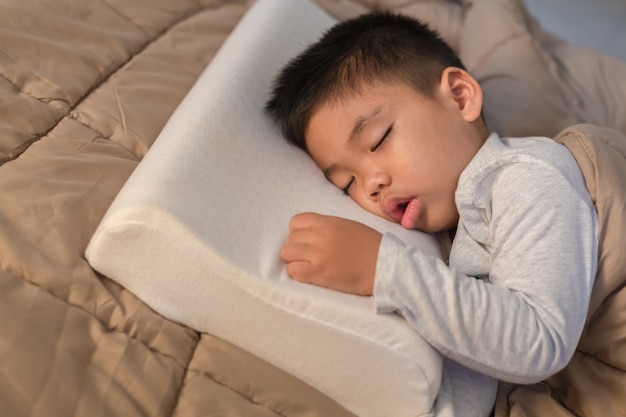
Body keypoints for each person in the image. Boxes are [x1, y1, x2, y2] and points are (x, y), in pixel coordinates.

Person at [265, 11, 598, 417]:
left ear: (460, 96)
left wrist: (384, 269)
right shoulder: (454, 227)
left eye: (378, 139)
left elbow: (539, 340)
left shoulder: (526, 175)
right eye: (346, 184)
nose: (370, 184)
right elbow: (478, 357)